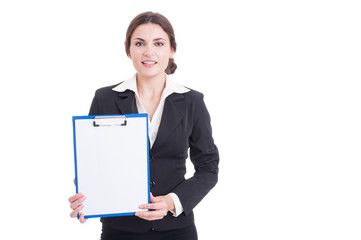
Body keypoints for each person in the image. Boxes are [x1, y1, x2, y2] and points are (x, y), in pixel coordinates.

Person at [68, 11, 219, 240]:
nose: (149, 52)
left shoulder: (192, 102)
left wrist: (171, 202)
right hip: (119, 230)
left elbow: (208, 167)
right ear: (128, 50)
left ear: (171, 50)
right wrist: (88, 198)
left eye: (158, 43)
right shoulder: (105, 98)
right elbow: (96, 162)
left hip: (177, 229)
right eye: (139, 43)